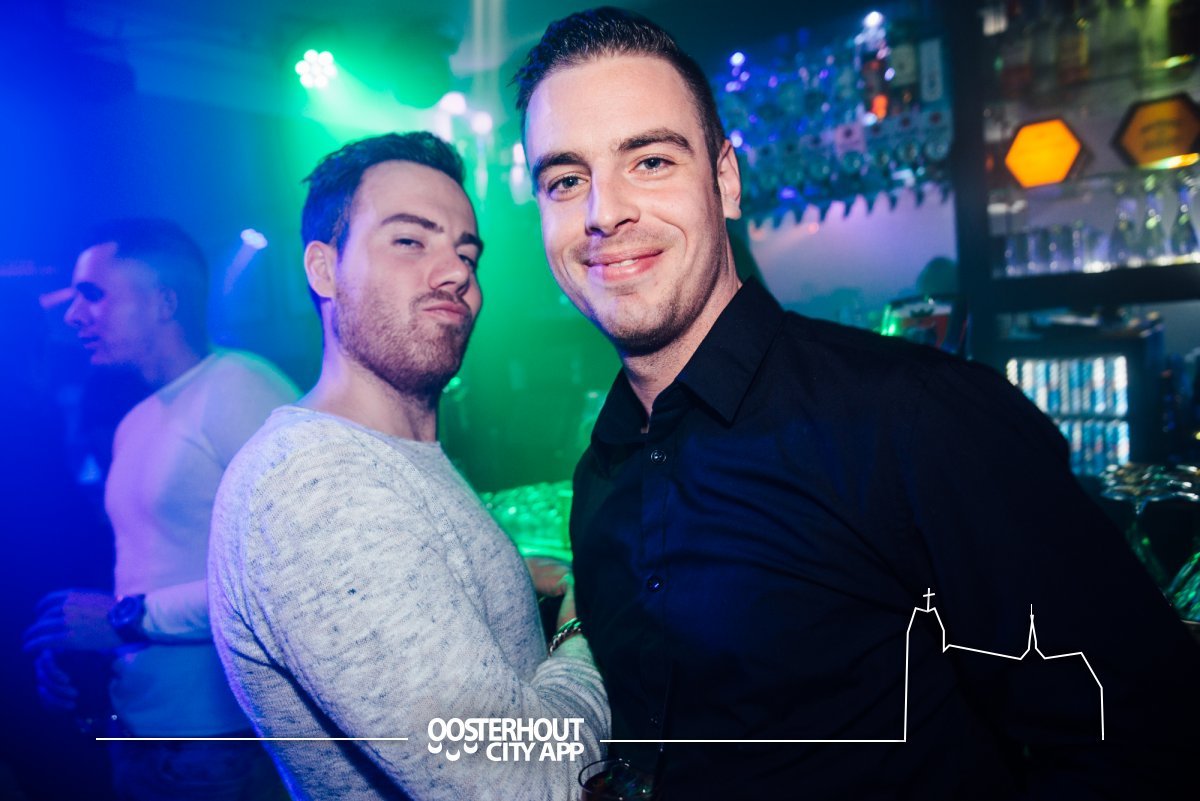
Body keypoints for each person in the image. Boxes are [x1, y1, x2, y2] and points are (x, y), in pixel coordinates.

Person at [515, 7, 1200, 799]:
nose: (603, 211)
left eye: (651, 161)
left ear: (726, 180)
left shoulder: (916, 420)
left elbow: (1139, 733)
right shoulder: (603, 473)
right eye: (566, 180)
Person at [207, 131, 609, 801]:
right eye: (409, 241)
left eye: (466, 253)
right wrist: (582, 617)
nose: (456, 273)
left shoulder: (385, 456)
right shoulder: (315, 485)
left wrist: (513, 577)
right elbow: (529, 781)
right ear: (324, 269)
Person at [22, 218, 297, 799]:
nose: (73, 316)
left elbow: (289, 579)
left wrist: (123, 619)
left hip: (223, 744)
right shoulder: (135, 421)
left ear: (164, 303)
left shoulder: (241, 387)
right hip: (137, 733)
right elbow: (153, 572)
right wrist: (81, 649)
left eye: (92, 294)